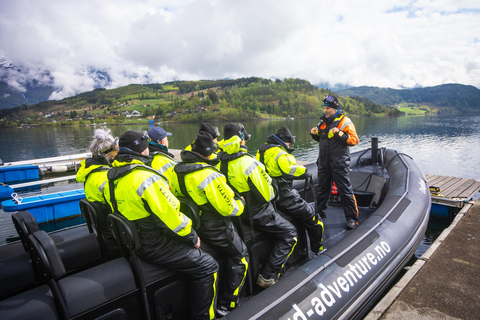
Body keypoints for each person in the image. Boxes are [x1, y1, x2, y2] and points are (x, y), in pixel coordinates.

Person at [105, 130, 219, 320]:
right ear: (141, 149)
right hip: (155, 244)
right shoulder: (145, 178)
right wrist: (192, 236)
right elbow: (171, 215)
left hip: (136, 241)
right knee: (209, 266)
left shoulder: (113, 175)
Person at [172, 131, 249, 317]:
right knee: (241, 257)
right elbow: (229, 209)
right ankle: (227, 303)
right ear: (209, 153)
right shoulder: (209, 175)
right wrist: (241, 203)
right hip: (216, 228)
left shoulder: (177, 171)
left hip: (196, 227)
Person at [217, 123, 297, 288]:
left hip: (238, 214)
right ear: (242, 139)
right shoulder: (248, 163)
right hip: (257, 214)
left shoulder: (218, 162)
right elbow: (268, 195)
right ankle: (268, 276)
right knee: (290, 234)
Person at [256, 126, 324, 254]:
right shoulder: (281, 153)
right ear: (286, 140)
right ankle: (318, 248)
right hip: (283, 194)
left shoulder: (262, 150)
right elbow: (288, 170)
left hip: (269, 193)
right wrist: (304, 171)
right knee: (312, 215)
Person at [310, 95, 360, 230]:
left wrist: (340, 134)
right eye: (325, 108)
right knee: (322, 189)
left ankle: (351, 218)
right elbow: (323, 140)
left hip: (339, 162)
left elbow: (354, 140)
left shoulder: (345, 121)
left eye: (328, 108)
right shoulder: (323, 122)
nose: (325, 110)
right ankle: (320, 213)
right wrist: (314, 134)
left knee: (345, 190)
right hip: (324, 162)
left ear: (335, 108)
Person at [76, 127, 119, 255]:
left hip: (101, 227)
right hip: (112, 229)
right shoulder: (106, 176)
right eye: (115, 152)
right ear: (106, 155)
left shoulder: (89, 172)